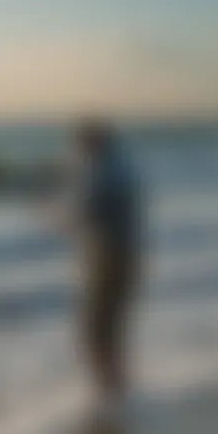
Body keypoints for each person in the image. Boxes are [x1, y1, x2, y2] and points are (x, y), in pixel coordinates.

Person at [58, 119, 142, 402]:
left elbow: (83, 216)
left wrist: (53, 217)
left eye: (79, 142)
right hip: (130, 254)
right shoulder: (122, 168)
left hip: (106, 257)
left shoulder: (99, 172)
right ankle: (118, 390)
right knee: (114, 329)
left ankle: (105, 394)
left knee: (94, 330)